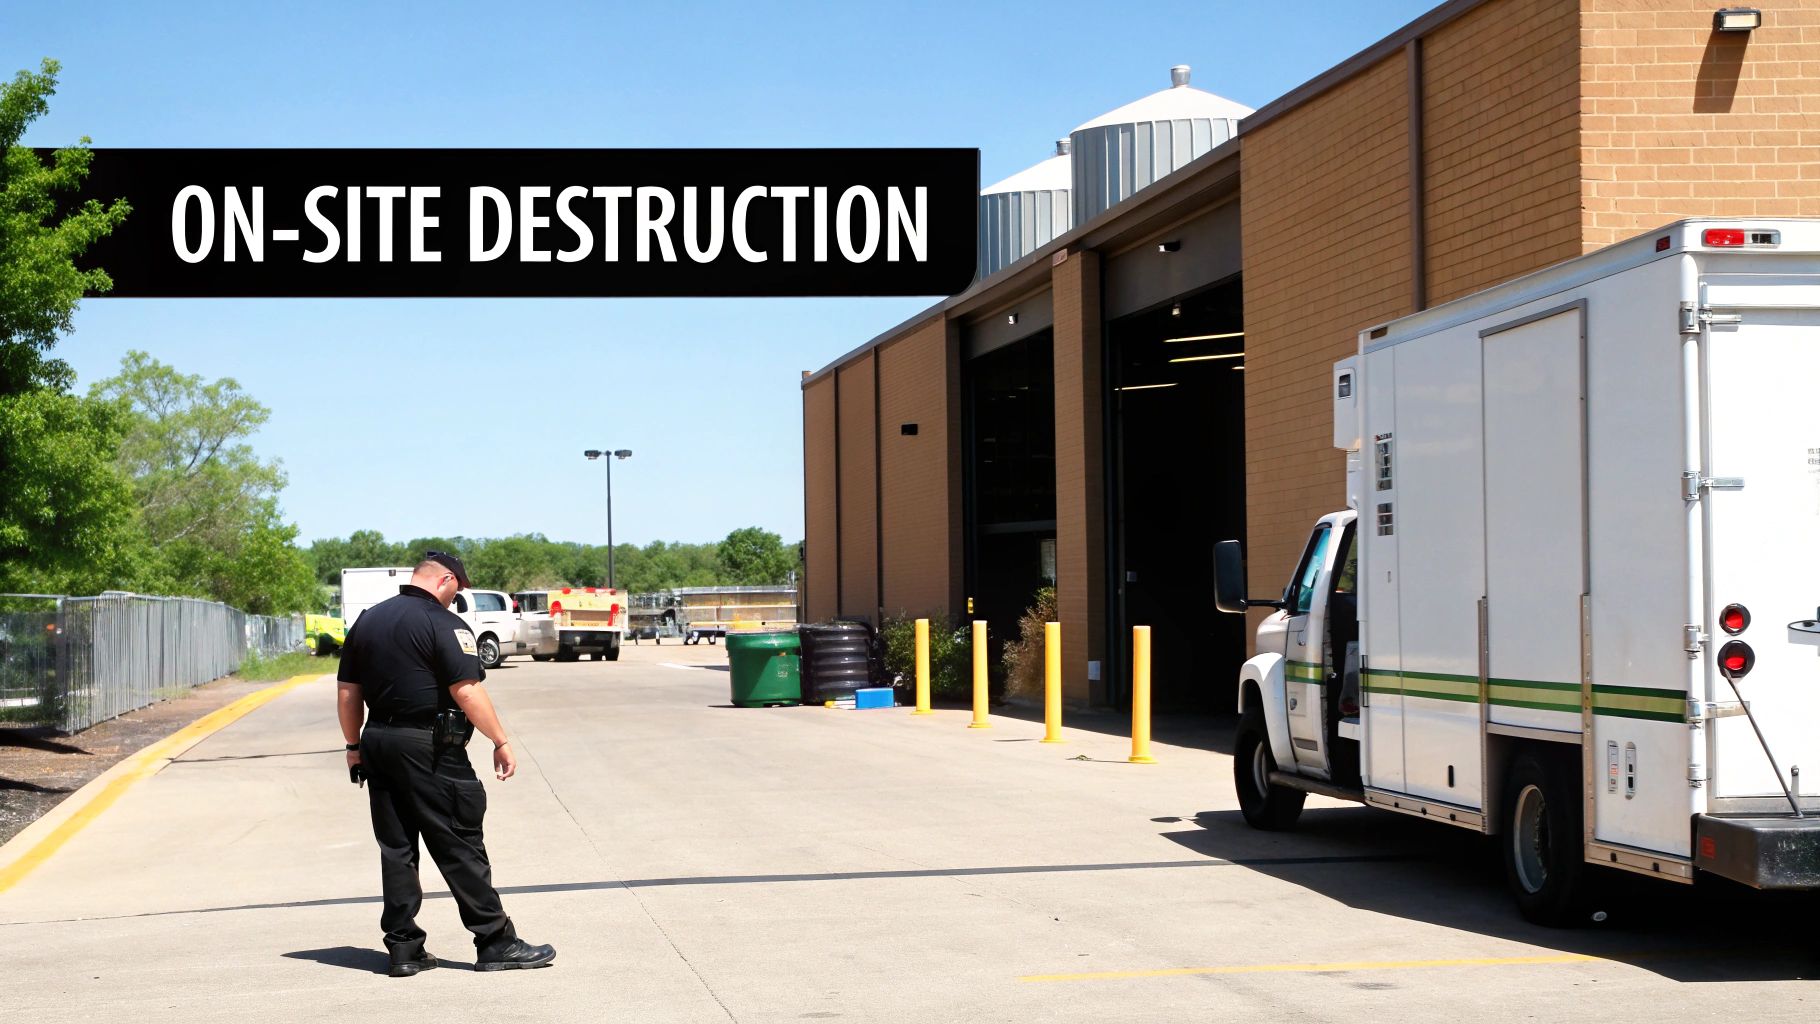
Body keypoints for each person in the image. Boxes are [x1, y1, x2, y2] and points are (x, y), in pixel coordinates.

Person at [337, 551, 556, 977]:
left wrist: (353, 746)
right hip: (429, 747)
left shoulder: (369, 621)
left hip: (378, 741)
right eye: (459, 588)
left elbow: (348, 692)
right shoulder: (445, 623)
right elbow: (467, 691)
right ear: (445, 580)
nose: (458, 598)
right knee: (459, 841)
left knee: (397, 848)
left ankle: (404, 949)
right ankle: (496, 941)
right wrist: (501, 740)